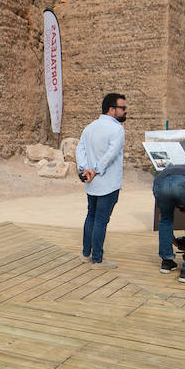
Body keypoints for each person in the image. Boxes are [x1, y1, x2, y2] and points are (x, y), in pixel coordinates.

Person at [75, 93, 127, 268]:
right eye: (122, 108)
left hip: (92, 182)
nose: (125, 111)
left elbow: (80, 149)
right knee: (101, 220)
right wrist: (95, 170)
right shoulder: (117, 129)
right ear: (112, 110)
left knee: (91, 216)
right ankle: (97, 258)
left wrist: (84, 170)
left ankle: (85, 253)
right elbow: (111, 155)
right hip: (107, 181)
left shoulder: (90, 127)